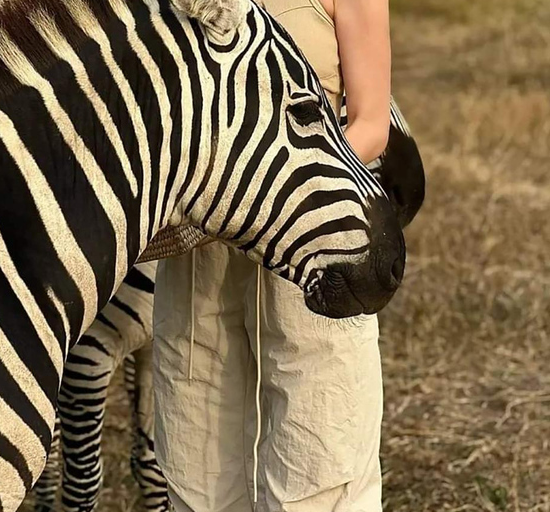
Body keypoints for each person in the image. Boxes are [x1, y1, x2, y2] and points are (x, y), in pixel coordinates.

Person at [152, 0, 392, 510]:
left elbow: (371, 124)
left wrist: (265, 190)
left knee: (323, 457)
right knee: (195, 458)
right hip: (198, 252)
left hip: (311, 241)